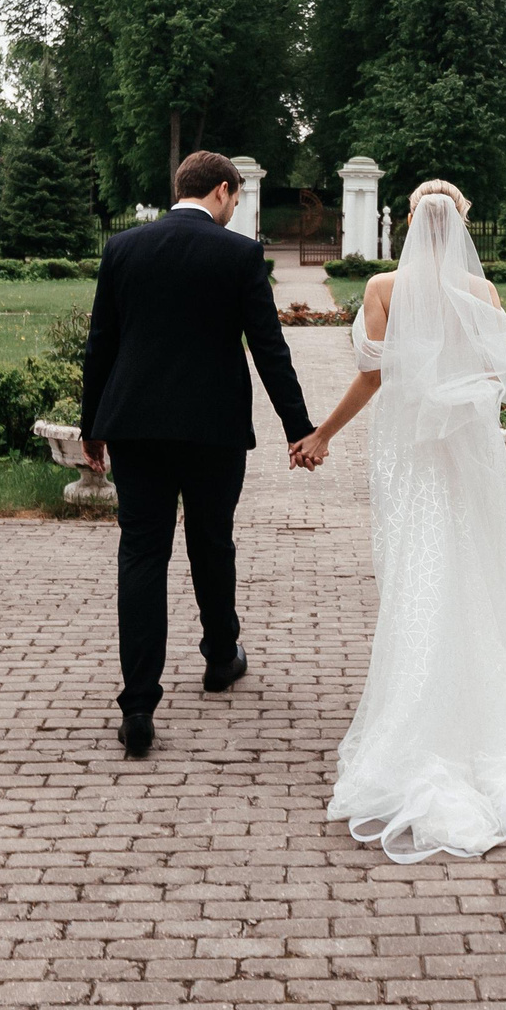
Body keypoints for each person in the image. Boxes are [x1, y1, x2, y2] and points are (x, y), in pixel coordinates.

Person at [292, 179, 506, 862]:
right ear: (464, 224)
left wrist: (323, 433)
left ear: (411, 221)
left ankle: (419, 727)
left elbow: (374, 377)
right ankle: (487, 723)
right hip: (468, 462)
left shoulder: (384, 288)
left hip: (413, 460)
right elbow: (495, 384)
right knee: (472, 577)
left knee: (421, 577)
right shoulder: (485, 295)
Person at [80, 149, 319, 759]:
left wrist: (92, 427)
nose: (235, 210)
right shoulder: (238, 255)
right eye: (236, 199)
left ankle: (137, 704)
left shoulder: (123, 249)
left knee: (141, 552)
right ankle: (219, 657)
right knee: (212, 540)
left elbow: (101, 345)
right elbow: (269, 347)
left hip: (134, 425)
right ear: (220, 191)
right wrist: (299, 427)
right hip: (213, 428)